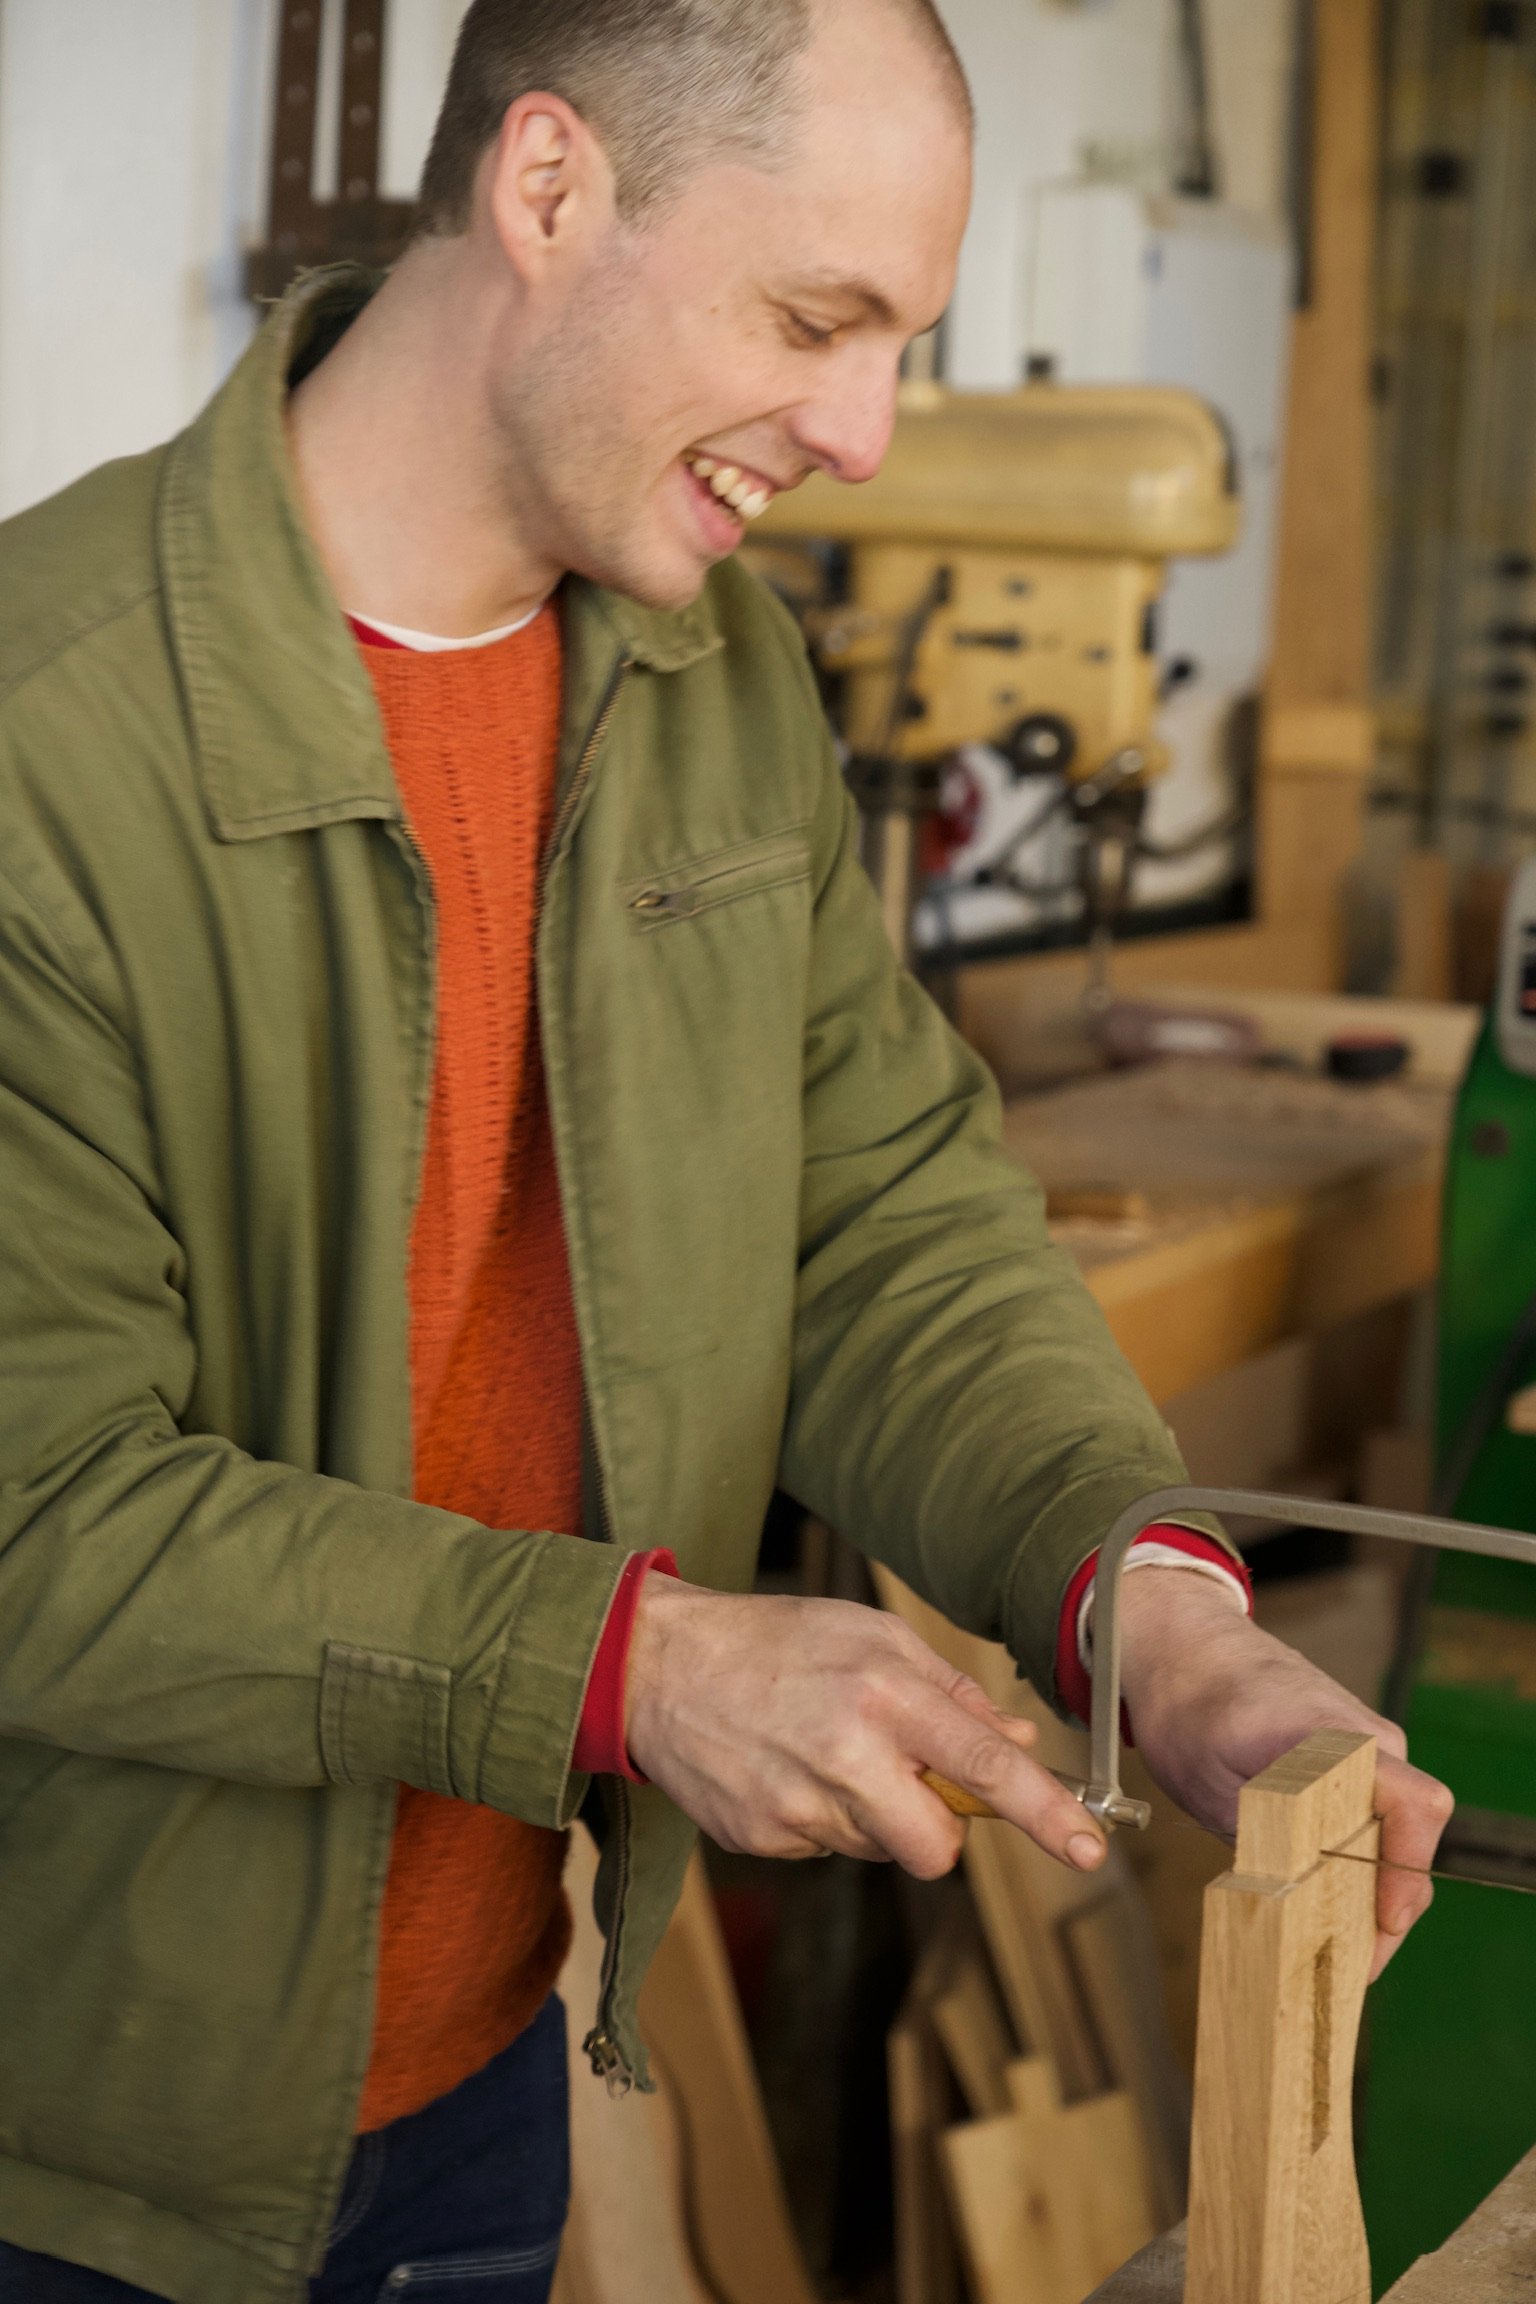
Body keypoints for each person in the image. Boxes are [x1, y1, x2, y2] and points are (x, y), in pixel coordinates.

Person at [0, 1, 1451, 2298]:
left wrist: (1147, 1607)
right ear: (548, 188)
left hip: (477, 2086)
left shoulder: (716, 682)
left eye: (903, 345)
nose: (865, 433)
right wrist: (637, 1669)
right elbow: (38, 1508)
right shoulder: (41, 741)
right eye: (813, 320)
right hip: (68, 2154)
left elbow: (877, 1220)